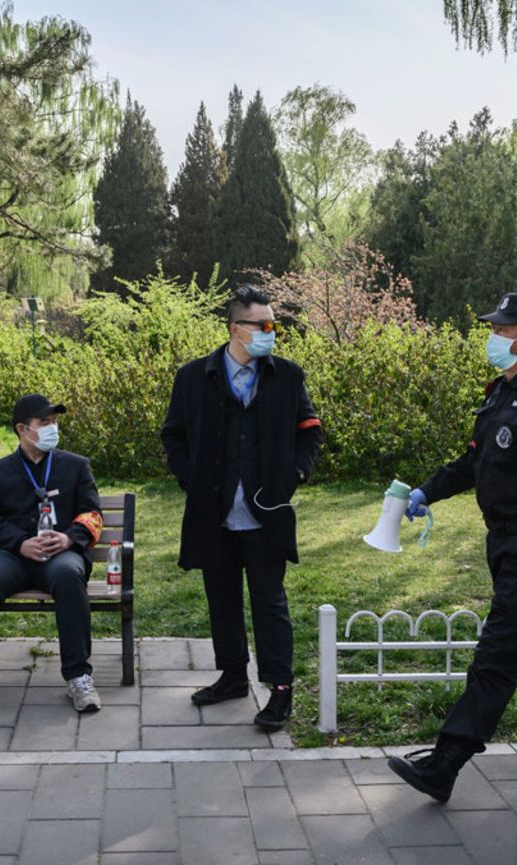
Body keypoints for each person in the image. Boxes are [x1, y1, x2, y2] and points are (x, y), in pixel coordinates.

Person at [388, 292, 517, 803]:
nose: (495, 337)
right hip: (504, 542)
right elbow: (474, 462)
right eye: (496, 329)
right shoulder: (502, 394)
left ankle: (447, 760)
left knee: (498, 654)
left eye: (505, 330)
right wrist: (425, 491)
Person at [160, 285, 324, 731]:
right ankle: (232, 676)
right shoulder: (194, 376)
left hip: (266, 510)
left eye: (275, 325)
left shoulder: (288, 376)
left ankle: (280, 690)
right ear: (236, 329)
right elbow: (173, 434)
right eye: (263, 325)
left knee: (270, 602)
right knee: (222, 599)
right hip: (212, 511)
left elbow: (310, 430)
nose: (272, 332)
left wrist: (295, 473)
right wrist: (188, 476)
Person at [0, 393, 105, 724]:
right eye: (44, 423)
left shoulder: (75, 466)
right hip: (12, 555)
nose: (52, 428)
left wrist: (69, 537)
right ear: (22, 429)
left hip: (60, 554)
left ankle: (79, 677)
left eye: (55, 422)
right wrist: (20, 544)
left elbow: (92, 512)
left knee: (68, 577)